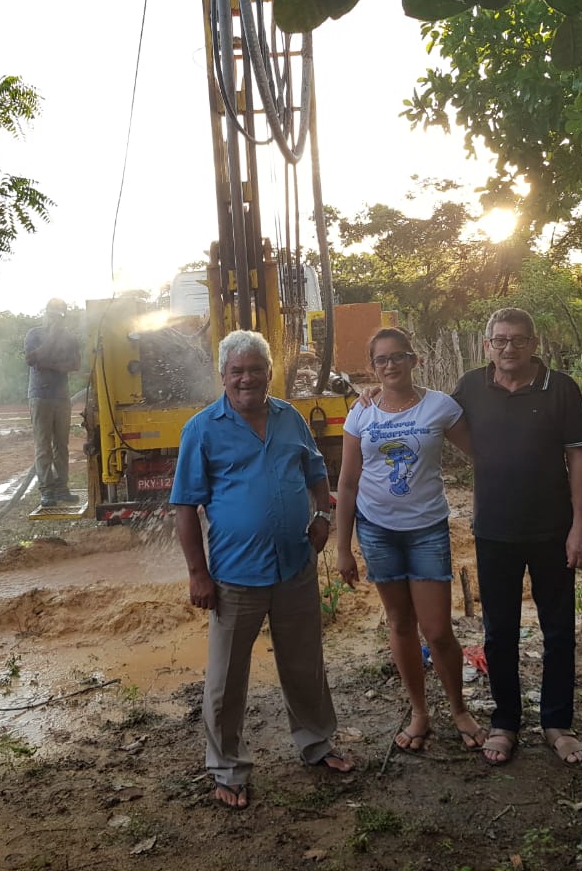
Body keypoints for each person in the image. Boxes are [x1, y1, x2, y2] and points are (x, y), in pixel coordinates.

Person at [171, 330, 354, 810]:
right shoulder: (202, 429)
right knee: (226, 679)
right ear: (224, 376)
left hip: (295, 567)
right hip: (234, 576)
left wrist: (322, 516)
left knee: (304, 665)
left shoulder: (290, 417)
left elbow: (317, 474)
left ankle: (316, 744)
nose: (246, 378)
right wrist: (198, 573)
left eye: (255, 369)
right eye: (237, 371)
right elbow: (185, 508)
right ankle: (228, 768)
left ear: (270, 372)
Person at [452, 308, 582, 767]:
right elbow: (436, 417)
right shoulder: (472, 386)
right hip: (495, 529)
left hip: (553, 530)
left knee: (558, 631)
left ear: (534, 343)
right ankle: (506, 722)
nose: (508, 348)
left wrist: (580, 525)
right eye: (499, 340)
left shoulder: (562, 388)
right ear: (487, 345)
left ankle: (557, 722)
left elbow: (578, 460)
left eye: (517, 340)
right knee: (499, 632)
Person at [335, 328, 485, 754]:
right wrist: (342, 547)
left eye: (398, 356)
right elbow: (347, 483)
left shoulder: (440, 406)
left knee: (437, 630)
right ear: (372, 366)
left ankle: (458, 708)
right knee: (400, 623)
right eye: (381, 359)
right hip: (377, 530)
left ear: (414, 360)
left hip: (426, 530)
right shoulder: (361, 413)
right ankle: (419, 711)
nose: (390, 365)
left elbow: (481, 453)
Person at [24, 297, 81, 507]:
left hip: (61, 396)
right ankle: (47, 490)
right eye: (52, 314)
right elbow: (31, 360)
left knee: (61, 445)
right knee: (43, 445)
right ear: (46, 313)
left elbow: (75, 364)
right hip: (40, 396)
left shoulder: (70, 338)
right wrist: (52, 339)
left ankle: (62, 487)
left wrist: (50, 364)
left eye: (59, 315)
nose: (55, 318)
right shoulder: (34, 334)